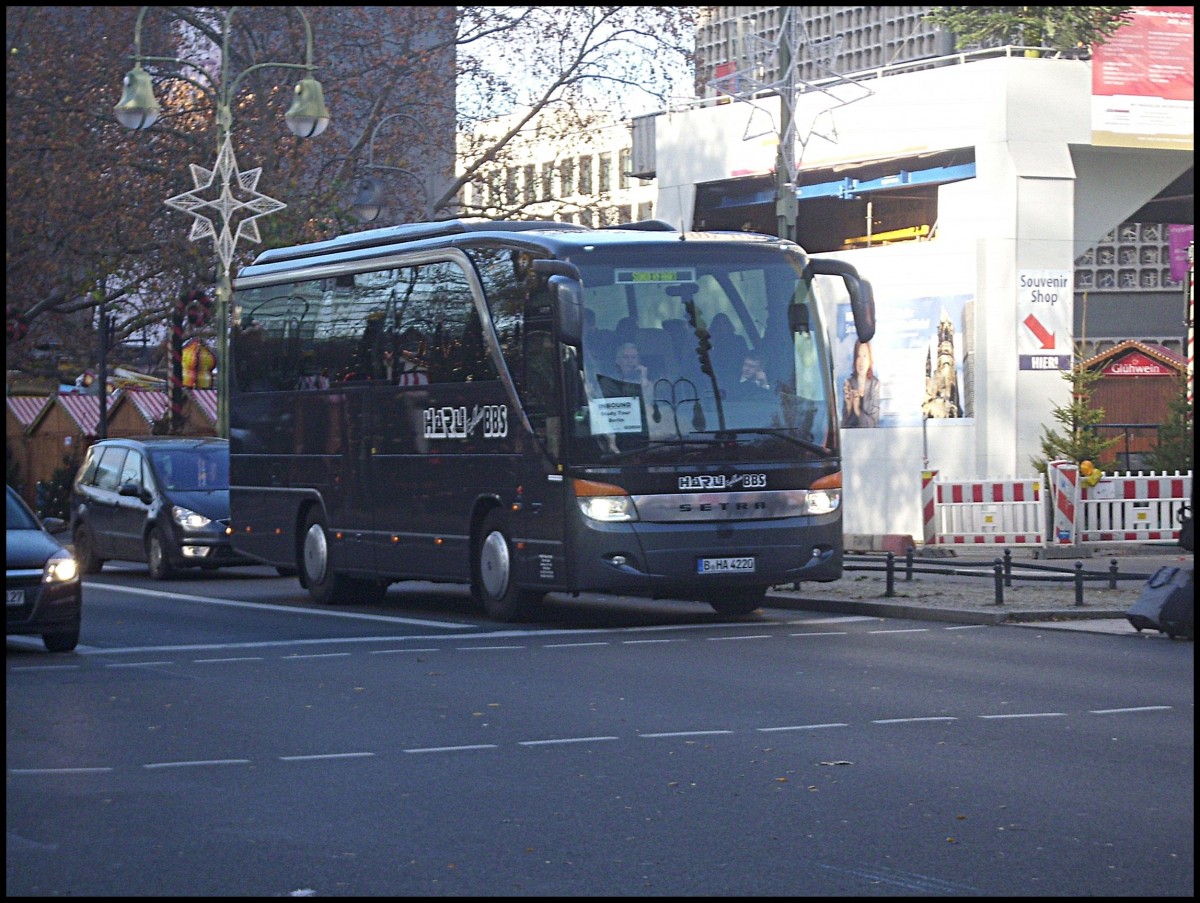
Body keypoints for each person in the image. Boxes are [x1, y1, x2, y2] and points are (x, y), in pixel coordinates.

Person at [842, 339, 881, 428]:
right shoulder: (849, 383)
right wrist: (848, 408)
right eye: (858, 356)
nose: (861, 361)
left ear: (870, 359)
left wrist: (857, 410)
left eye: (865, 356)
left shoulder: (875, 384)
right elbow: (843, 427)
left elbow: (874, 424)